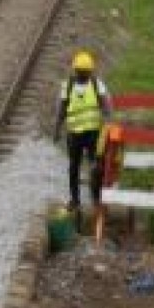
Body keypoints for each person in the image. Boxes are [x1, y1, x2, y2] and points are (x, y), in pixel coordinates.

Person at [52, 51, 112, 213]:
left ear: (90, 71)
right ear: (76, 70)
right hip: (74, 134)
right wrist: (56, 128)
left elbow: (106, 106)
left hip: (93, 134)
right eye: (81, 71)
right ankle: (75, 200)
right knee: (73, 167)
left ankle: (97, 199)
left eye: (86, 71)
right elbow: (61, 108)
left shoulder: (96, 84)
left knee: (96, 167)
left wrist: (108, 124)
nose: (83, 74)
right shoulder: (68, 85)